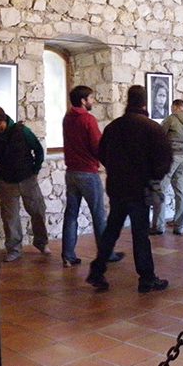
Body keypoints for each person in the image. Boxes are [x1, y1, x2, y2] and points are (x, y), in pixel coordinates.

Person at [86, 85, 172, 293]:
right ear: (144, 102)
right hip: (139, 189)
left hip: (117, 187)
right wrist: (153, 176)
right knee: (140, 234)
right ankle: (147, 278)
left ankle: (97, 271)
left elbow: (102, 154)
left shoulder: (114, 127)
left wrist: (118, 171)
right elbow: (163, 160)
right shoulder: (152, 128)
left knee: (112, 230)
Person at [61, 86, 124, 267]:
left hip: (71, 172)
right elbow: (98, 146)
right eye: (91, 98)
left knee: (71, 215)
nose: (93, 101)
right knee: (98, 214)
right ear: (83, 100)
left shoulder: (67, 119)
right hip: (88, 172)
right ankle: (106, 253)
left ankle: (68, 255)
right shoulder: (87, 119)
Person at [0, 106, 50, 261]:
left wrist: (35, 170)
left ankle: (41, 242)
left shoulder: (22, 131)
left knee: (38, 211)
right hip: (6, 182)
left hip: (27, 179)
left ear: (0, 122)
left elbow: (38, 149)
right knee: (10, 217)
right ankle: (14, 249)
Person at [150, 99, 183, 235]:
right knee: (180, 192)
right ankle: (180, 226)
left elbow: (159, 136)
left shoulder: (171, 119)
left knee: (161, 190)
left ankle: (158, 226)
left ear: (176, 107)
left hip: (170, 157)